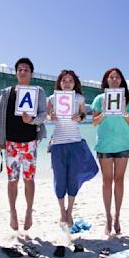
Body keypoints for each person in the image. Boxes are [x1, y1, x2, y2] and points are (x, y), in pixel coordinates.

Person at [0, 57, 47, 231]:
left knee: (29, 180)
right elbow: (1, 118)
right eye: (20, 69)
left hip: (30, 143)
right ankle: (12, 212)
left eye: (26, 69)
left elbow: (44, 115)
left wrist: (32, 120)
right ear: (16, 72)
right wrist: (1, 139)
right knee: (12, 180)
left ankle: (28, 211)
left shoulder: (38, 91)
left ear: (31, 73)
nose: (23, 72)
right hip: (11, 143)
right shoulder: (6, 92)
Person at [47, 70, 98, 228]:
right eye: (64, 80)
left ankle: (70, 211)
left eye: (70, 80)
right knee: (60, 178)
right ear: (59, 83)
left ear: (75, 83)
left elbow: (84, 116)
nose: (67, 82)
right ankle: (62, 211)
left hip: (75, 142)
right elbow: (48, 115)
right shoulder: (52, 98)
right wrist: (51, 117)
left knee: (73, 178)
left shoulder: (79, 98)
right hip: (58, 143)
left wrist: (79, 117)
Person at [92, 67, 129, 235]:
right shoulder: (99, 98)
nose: (114, 79)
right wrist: (103, 112)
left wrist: (125, 111)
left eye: (117, 77)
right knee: (106, 181)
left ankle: (117, 216)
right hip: (104, 144)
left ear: (121, 80)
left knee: (119, 181)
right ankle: (108, 218)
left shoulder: (128, 100)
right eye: (111, 77)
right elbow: (94, 122)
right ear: (106, 80)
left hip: (123, 144)